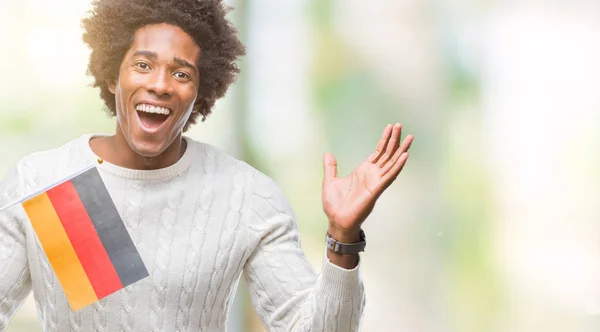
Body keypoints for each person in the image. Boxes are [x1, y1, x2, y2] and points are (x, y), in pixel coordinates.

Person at [0, 0, 413, 330]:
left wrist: (343, 238)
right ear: (113, 75)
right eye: (143, 65)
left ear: (201, 92)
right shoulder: (51, 180)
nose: (160, 85)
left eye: (181, 73)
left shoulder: (245, 196)